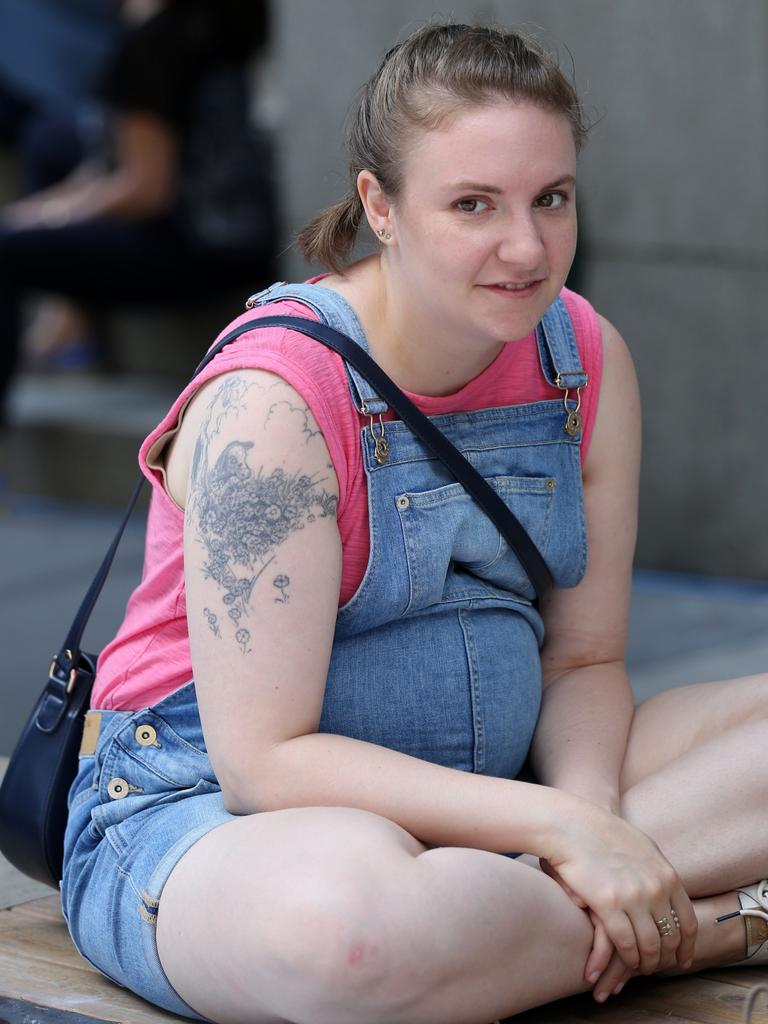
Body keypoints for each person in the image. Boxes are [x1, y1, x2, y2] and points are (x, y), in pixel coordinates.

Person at [60, 22, 768, 1024]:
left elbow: (582, 663)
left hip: (505, 773)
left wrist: (592, 818)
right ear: (379, 207)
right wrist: (561, 826)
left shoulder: (584, 358)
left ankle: (546, 914)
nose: (526, 247)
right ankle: (697, 926)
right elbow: (266, 760)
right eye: (474, 204)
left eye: (550, 199)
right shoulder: (276, 401)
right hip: (221, 813)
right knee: (349, 937)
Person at [0, 0, 275, 416]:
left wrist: (48, 219)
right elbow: (109, 162)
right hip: (234, 237)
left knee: (7, 254)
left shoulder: (154, 45)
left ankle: (70, 332)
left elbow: (145, 190)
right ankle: (71, 324)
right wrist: (36, 216)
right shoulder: (203, 25)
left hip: (201, 250)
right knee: (48, 144)